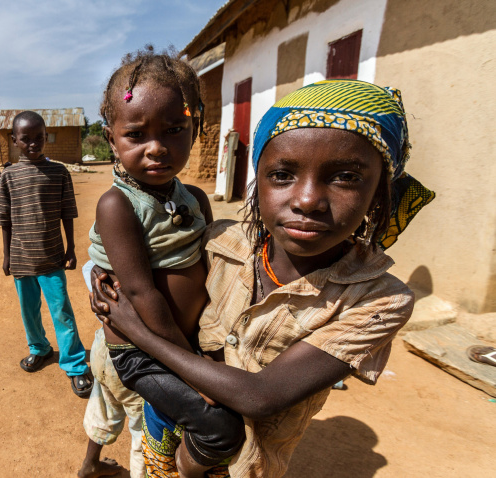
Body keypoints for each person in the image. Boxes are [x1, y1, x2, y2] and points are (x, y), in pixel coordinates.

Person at [91, 79, 435, 477]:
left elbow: (260, 397)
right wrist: (102, 283)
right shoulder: (223, 241)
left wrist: (140, 333)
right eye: (282, 175)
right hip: (164, 424)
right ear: (259, 180)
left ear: (380, 193)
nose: (307, 200)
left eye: (345, 177)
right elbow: (138, 277)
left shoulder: (377, 301)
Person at [84, 47, 244, 478]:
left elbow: (213, 272)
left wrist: (206, 348)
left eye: (175, 129)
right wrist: (192, 366)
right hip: (144, 352)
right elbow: (139, 292)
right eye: (136, 135)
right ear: (111, 137)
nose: (157, 148)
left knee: (186, 420)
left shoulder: (194, 199)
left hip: (189, 343)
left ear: (196, 128)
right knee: (215, 425)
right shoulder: (118, 205)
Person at [0, 111, 93, 398]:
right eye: (26, 139)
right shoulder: (8, 177)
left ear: (46, 136)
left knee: (61, 310)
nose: (33, 144)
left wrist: (71, 248)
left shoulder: (58, 172)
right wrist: (6, 256)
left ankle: (75, 365)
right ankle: (39, 348)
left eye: (39, 138)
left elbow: (67, 212)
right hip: (21, 257)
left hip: (51, 256)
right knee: (29, 310)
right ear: (15, 141)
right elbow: (5, 219)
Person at [77, 262, 145, 478]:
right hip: (135, 362)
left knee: (104, 408)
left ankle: (90, 464)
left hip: (103, 348)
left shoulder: (100, 259)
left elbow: (88, 268)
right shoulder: (147, 264)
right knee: (142, 435)